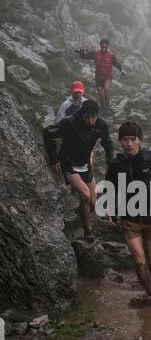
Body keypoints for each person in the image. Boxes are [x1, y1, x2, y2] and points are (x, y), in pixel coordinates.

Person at [105, 121, 151, 302]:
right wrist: (109, 212)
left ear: (140, 140)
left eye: (133, 139)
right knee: (140, 261)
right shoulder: (115, 164)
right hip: (130, 220)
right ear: (120, 141)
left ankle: (150, 280)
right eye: (125, 140)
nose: (129, 143)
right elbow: (109, 189)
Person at [43, 99, 113, 240]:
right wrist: (53, 158)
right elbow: (48, 132)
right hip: (68, 163)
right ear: (82, 114)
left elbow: (107, 142)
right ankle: (88, 233)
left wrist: (110, 161)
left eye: (94, 117)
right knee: (85, 195)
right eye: (88, 117)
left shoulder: (100, 124)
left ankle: (81, 219)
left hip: (84, 164)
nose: (91, 121)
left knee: (93, 203)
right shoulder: (69, 123)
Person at [76, 38, 124, 115]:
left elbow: (117, 64)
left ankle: (107, 108)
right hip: (98, 78)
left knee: (106, 89)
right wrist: (81, 51)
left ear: (107, 47)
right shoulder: (95, 53)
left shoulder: (111, 56)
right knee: (101, 96)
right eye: (103, 47)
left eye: (106, 47)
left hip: (108, 77)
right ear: (100, 46)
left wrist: (122, 70)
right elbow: (85, 56)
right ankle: (103, 109)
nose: (104, 49)